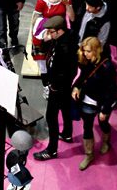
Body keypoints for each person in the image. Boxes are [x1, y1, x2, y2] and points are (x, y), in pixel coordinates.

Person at [33, 16, 78, 161]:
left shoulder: (63, 48)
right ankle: (67, 133)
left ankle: (52, 150)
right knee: (65, 109)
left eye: (52, 32)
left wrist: (53, 87)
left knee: (51, 117)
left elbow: (62, 71)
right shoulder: (68, 38)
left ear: (60, 31)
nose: (50, 35)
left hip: (58, 87)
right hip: (65, 86)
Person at [71, 36, 117, 170]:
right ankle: (89, 154)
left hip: (103, 102)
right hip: (88, 99)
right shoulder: (86, 61)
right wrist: (76, 87)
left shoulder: (107, 66)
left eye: (88, 51)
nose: (85, 54)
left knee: (103, 123)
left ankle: (106, 142)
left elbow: (111, 90)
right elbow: (83, 76)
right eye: (84, 51)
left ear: (96, 50)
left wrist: (105, 110)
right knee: (87, 126)